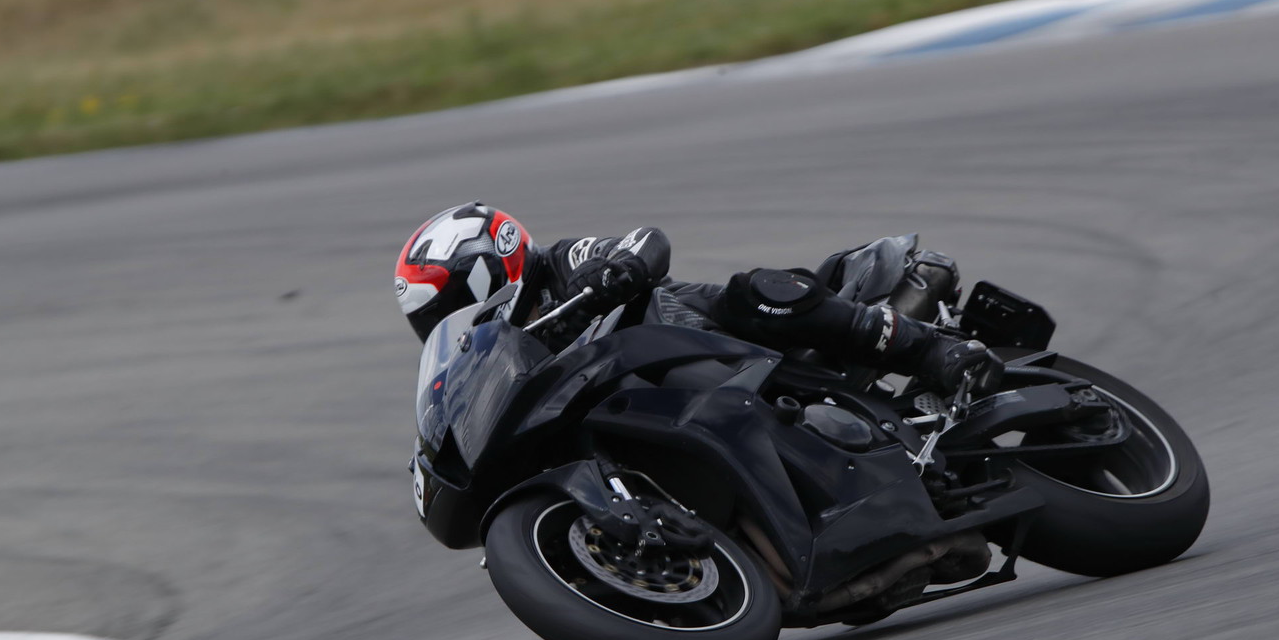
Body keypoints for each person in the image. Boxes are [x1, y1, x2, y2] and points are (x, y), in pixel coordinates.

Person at [393, 202, 1004, 396]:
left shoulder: (562, 263)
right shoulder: (508, 356)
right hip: (663, 400)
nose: (443, 325)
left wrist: (618, 270)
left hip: (718, 339)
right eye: (430, 321)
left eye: (442, 309)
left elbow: (644, 241)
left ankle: (931, 352)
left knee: (752, 292)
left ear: (486, 272)